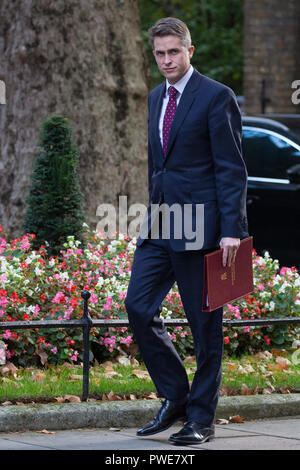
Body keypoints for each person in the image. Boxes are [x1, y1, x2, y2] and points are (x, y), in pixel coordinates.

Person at [124, 17, 248, 446]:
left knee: (204, 326)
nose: (166, 60)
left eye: (173, 51)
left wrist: (232, 229)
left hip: (203, 228)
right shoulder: (156, 97)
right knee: (138, 306)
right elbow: (160, 165)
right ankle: (176, 395)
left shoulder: (217, 96)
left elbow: (231, 168)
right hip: (160, 224)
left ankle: (201, 419)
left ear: (189, 51)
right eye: (159, 53)